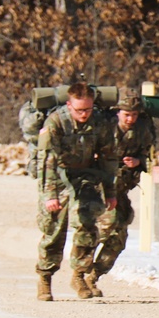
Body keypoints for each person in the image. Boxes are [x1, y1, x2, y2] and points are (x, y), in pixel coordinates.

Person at [35, 82, 117, 301]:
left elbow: (109, 157)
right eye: (80, 110)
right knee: (54, 228)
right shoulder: (56, 122)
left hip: (84, 176)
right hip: (57, 178)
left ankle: (79, 274)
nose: (84, 114)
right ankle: (45, 277)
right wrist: (50, 195)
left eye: (88, 109)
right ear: (69, 105)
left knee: (87, 224)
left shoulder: (99, 123)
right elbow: (47, 161)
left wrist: (110, 191)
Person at [88, 88, 156, 297]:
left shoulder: (142, 130)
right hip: (101, 188)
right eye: (127, 114)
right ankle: (80, 272)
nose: (131, 119)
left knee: (119, 238)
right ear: (117, 112)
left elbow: (149, 157)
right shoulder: (103, 128)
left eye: (134, 115)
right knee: (104, 229)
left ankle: (93, 275)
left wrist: (137, 162)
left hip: (121, 190)